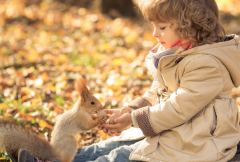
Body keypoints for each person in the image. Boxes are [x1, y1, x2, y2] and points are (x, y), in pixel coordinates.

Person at [19, 0, 240, 161]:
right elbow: (157, 92)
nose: (154, 33)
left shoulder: (207, 65)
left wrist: (134, 119)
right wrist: (129, 110)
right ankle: (51, 158)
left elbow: (179, 108)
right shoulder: (179, 54)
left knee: (120, 156)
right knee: (105, 147)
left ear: (189, 27)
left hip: (196, 141)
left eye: (161, 27)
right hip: (173, 130)